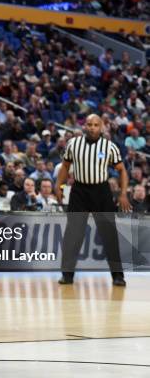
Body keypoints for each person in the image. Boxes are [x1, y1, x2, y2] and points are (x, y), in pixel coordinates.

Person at [55, 114, 130, 286]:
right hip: (79, 191)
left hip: (101, 191)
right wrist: (58, 185)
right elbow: (65, 166)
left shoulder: (110, 146)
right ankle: (67, 275)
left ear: (101, 127)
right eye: (89, 124)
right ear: (84, 126)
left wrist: (123, 193)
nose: (92, 127)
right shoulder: (73, 144)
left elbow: (122, 170)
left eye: (96, 125)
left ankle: (118, 276)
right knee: (72, 234)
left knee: (109, 234)